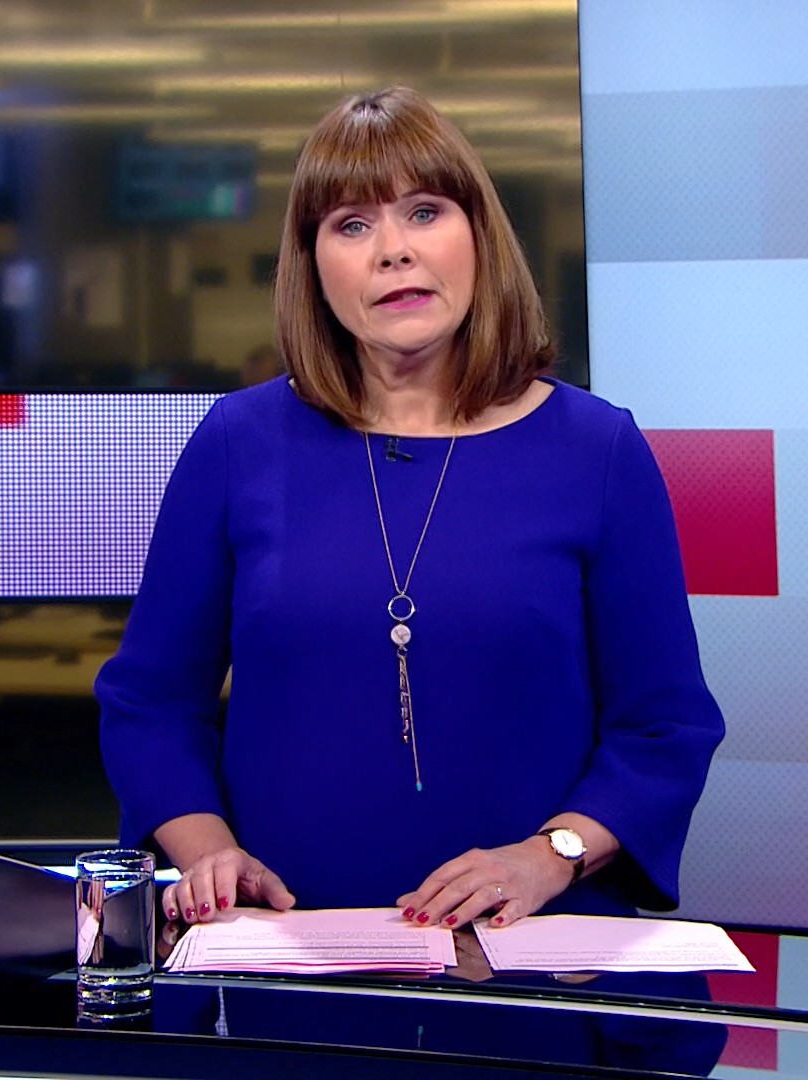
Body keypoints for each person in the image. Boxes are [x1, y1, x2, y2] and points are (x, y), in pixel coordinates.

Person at [97, 86, 725, 935]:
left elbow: (663, 726)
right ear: (313, 265)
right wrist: (209, 852)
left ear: (479, 236)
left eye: (425, 212)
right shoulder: (238, 442)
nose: (394, 250)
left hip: (530, 951)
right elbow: (150, 702)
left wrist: (550, 856)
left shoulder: (597, 448)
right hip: (289, 949)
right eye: (352, 225)